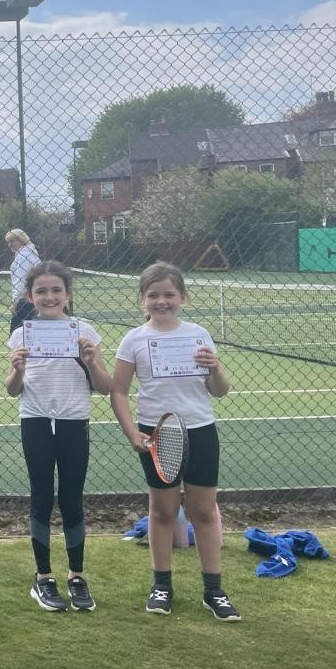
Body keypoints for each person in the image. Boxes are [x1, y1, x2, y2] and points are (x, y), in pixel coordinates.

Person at [110, 262, 239, 621]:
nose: (161, 301)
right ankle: (161, 585)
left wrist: (215, 367)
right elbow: (118, 391)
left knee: (202, 511)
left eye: (169, 294)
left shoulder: (198, 334)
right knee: (163, 511)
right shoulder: (133, 339)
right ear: (141, 299)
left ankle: (214, 590)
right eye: (153, 295)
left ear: (182, 296)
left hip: (200, 430)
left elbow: (220, 391)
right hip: (156, 433)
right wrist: (131, 432)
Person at [5, 261, 110, 612]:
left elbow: (105, 387)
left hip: (73, 420)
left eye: (56, 290)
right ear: (30, 296)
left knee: (71, 498)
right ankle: (43, 578)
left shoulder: (85, 332)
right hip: (35, 420)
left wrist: (92, 361)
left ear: (68, 293)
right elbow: (11, 389)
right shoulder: (23, 333)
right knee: (41, 496)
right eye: (41, 291)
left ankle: (77, 576)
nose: (49, 297)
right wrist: (18, 370)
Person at [6, 228, 42, 334]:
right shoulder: (30, 254)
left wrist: (15, 302)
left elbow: (21, 281)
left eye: (12, 241)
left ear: (21, 240)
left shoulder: (23, 256)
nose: (10, 245)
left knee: (16, 335)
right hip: (33, 299)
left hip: (25, 302)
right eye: (9, 242)